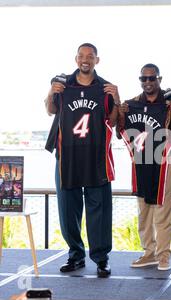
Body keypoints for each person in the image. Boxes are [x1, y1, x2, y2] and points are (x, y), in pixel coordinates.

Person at [45, 43, 120, 278]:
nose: (85, 59)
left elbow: (115, 121)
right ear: (76, 59)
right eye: (81, 56)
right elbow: (50, 109)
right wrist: (50, 92)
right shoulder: (62, 84)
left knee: (100, 211)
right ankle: (75, 255)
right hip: (67, 157)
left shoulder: (105, 88)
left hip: (96, 157)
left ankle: (101, 259)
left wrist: (117, 100)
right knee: (68, 210)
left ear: (97, 60)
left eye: (90, 56)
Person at [118, 63, 171, 271]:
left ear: (160, 78)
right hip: (142, 160)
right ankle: (148, 252)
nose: (148, 82)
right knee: (144, 210)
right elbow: (119, 131)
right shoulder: (132, 103)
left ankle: (163, 255)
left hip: (166, 160)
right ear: (140, 80)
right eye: (144, 79)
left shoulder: (170, 100)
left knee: (163, 208)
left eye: (152, 78)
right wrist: (122, 113)